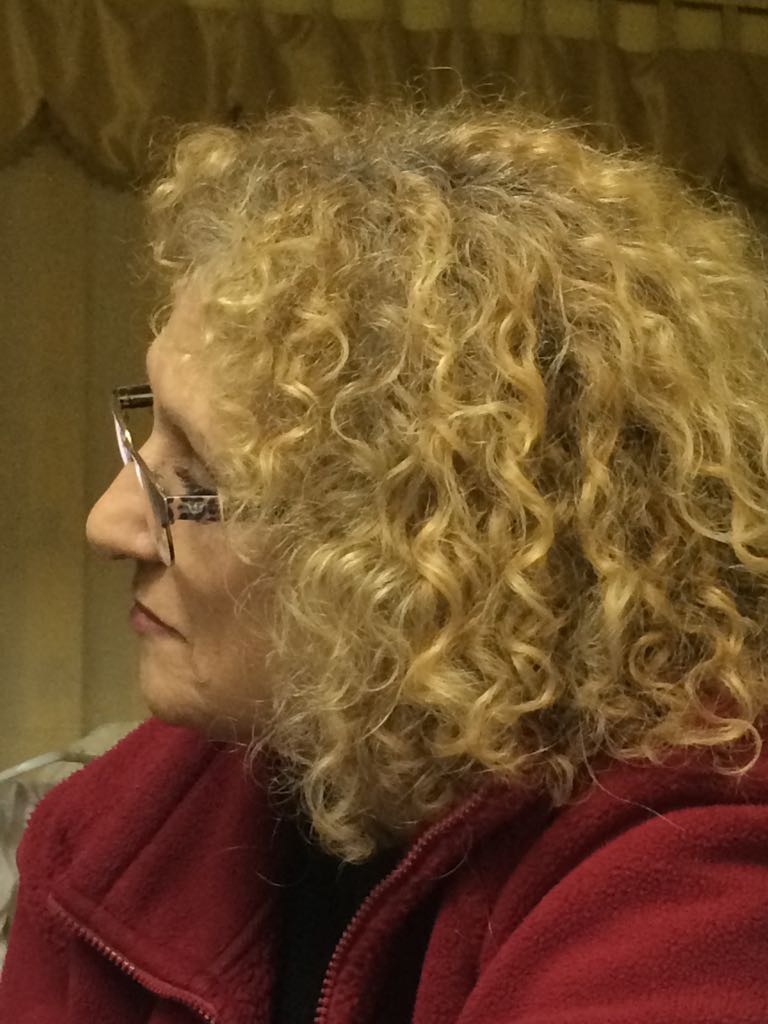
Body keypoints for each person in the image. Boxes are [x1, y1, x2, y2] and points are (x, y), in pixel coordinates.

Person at [3, 93, 768, 1024]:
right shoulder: (108, 836)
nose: (107, 522)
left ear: (430, 545)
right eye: (148, 431)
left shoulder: (693, 880)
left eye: (198, 475)